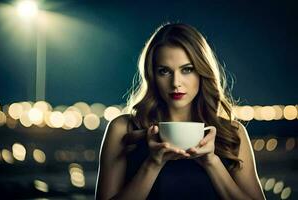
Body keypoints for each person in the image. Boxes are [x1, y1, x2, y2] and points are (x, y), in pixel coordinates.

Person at [95, 23, 266, 200]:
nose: (176, 82)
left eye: (187, 69)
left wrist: (212, 162)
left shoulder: (232, 133)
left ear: (202, 72)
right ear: (152, 76)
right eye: (164, 71)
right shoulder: (124, 129)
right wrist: (153, 164)